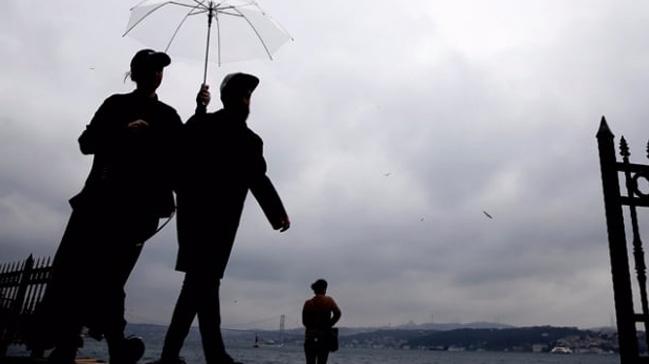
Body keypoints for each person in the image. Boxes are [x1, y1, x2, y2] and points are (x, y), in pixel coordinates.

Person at [33, 49, 184, 364]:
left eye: (160, 68)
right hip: (100, 204)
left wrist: (197, 110)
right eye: (152, 67)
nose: (157, 73)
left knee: (112, 277)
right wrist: (123, 132)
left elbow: (183, 159)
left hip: (138, 212)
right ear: (136, 72)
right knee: (79, 273)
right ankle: (79, 345)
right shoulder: (115, 105)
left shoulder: (169, 117)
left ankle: (106, 345)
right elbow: (85, 143)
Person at [151, 72, 290, 364]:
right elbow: (258, 180)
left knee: (200, 284)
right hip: (222, 224)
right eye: (248, 96)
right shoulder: (249, 141)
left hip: (192, 220)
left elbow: (179, 150)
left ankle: (197, 355)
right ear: (244, 99)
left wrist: (200, 109)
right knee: (201, 284)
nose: (249, 100)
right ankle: (196, 356)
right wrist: (277, 214)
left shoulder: (203, 124)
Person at [302, 279, 341, 364]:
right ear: (324, 289)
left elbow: (304, 322)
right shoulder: (329, 301)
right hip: (324, 337)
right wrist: (329, 324)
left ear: (315, 290)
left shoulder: (308, 303)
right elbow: (338, 313)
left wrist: (312, 326)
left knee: (310, 362)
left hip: (310, 337)